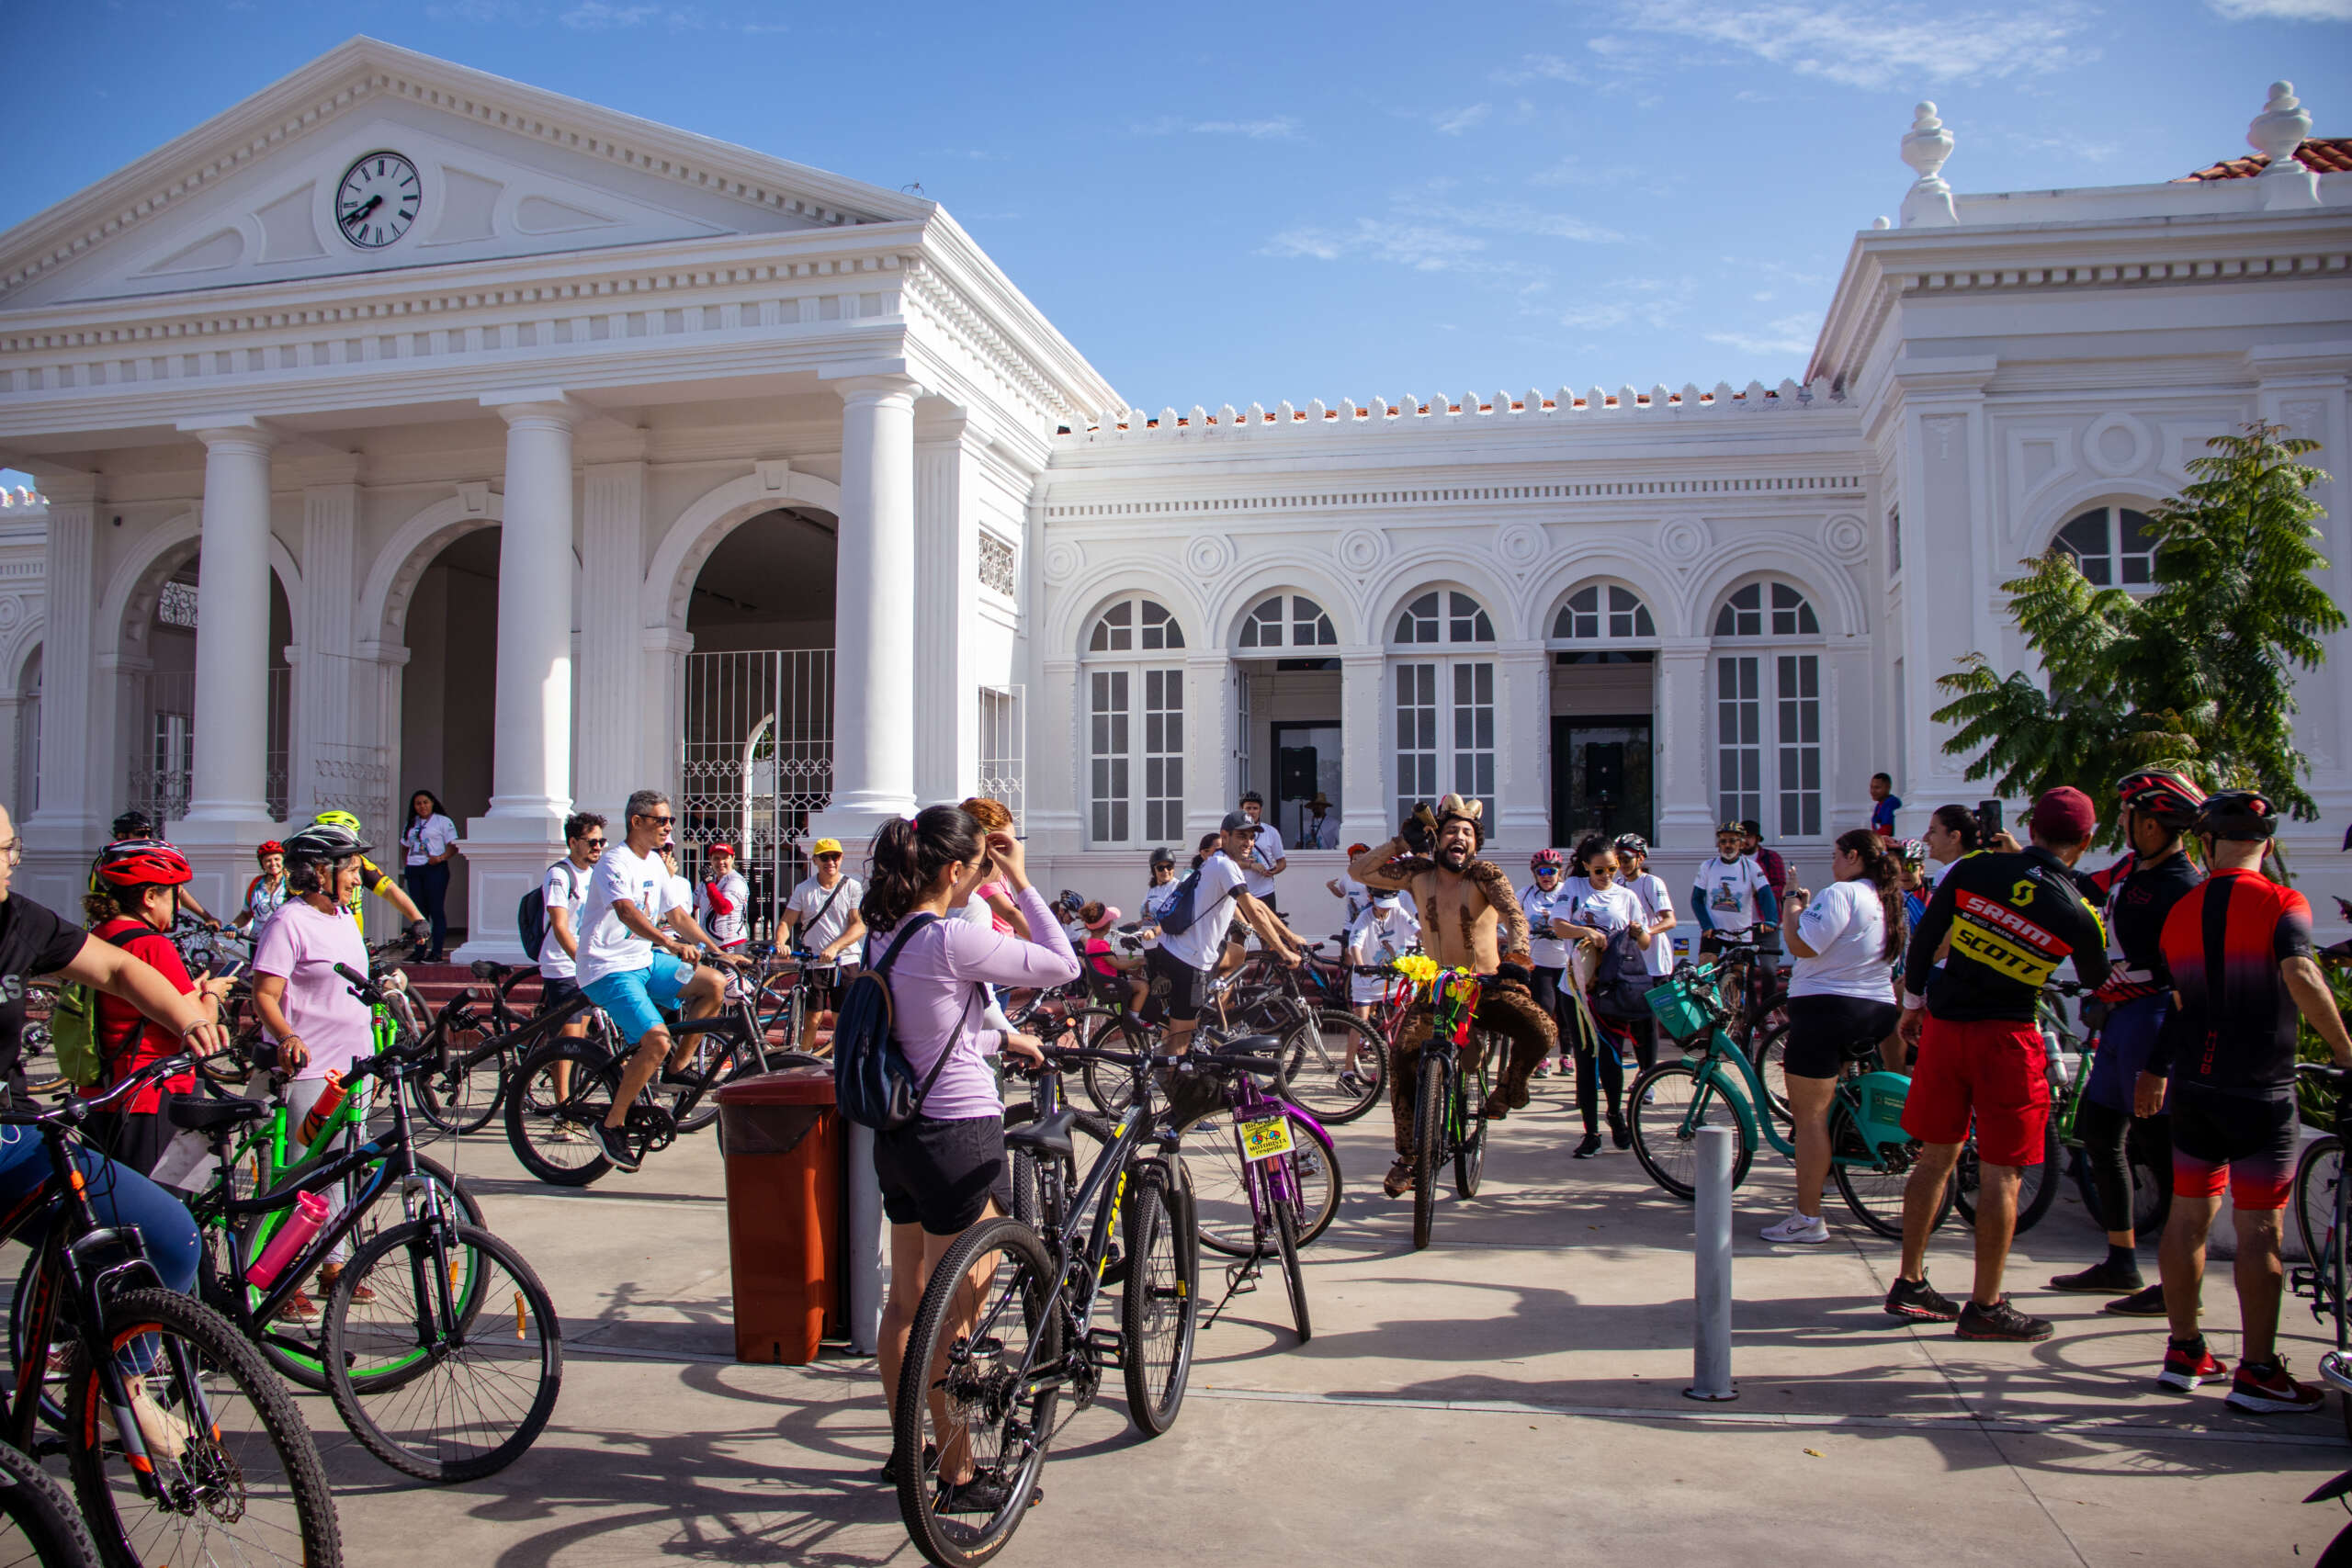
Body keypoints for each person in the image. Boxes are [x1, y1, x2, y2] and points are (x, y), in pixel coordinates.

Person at [0, 800, 228, 1459]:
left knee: (168, 1233)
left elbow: (119, 970)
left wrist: (188, 1015)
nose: (15, 862)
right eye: (9, 849)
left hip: (15, 1136)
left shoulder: (18, 921)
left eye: (14, 848)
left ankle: (117, 1389)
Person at [867, 806, 1077, 1505]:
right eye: (979, 868)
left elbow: (929, 1033)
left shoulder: (885, 936)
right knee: (954, 1308)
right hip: (956, 1132)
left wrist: (1000, 1040)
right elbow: (1060, 961)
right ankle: (957, 1473)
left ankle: (910, 1448)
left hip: (898, 1136)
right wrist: (1019, 879)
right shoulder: (953, 939)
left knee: (905, 1302)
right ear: (957, 871)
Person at [2140, 790, 2352, 1411]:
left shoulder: (2182, 909)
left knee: (2188, 1216)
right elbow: (2303, 973)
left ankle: (2184, 1349)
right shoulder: (2282, 900)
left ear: (2207, 844)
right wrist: (2345, 1051)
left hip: (2196, 1088)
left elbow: (2176, 1005)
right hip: (2260, 1089)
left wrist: (2157, 1071)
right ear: (2269, 844)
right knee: (2260, 1225)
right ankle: (2258, 1370)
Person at [1887, 785, 2110, 1341]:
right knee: (2003, 1171)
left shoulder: (1973, 871)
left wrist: (1913, 1006)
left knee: (1935, 1156)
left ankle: (1910, 1282)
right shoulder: (2080, 914)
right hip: (2009, 1038)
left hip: (1945, 1028)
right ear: (2085, 841)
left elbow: (1923, 946)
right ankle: (1985, 1305)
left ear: (2031, 829)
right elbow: (2096, 982)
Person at [2047, 769, 2204, 1310]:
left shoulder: (2182, 887)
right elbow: (2081, 887)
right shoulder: (2132, 867)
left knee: (2159, 1151)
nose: (2124, 825)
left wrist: (2159, 1064)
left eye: (2132, 817)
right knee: (2098, 1133)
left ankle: (2179, 1280)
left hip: (2152, 1020)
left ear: (2156, 825)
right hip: (2120, 1019)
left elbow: (2179, 977)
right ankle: (2121, 1259)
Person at [1350, 795, 1557, 1198]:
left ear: (1475, 842)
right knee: (1403, 1055)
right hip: (1437, 988)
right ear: (1437, 838)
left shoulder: (1485, 874)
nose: (1458, 838)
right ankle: (1409, 1157)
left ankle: (1509, 1088)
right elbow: (1360, 871)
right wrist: (1399, 843)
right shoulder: (1416, 872)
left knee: (1543, 1030)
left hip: (1488, 985)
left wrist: (1518, 957)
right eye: (1450, 831)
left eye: (1466, 832)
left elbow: (1515, 915)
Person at [247, 818, 384, 1317]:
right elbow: (264, 993)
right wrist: (287, 1036)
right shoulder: (289, 921)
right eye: (349, 866)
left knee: (344, 1168)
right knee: (304, 1176)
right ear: (319, 872)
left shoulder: (344, 918)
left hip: (354, 1064)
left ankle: (334, 1266)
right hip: (312, 1069)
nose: (357, 875)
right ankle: (283, 1274)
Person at [575, 791, 740, 1173]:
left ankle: (677, 1068)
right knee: (656, 1040)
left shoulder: (653, 863)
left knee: (713, 983)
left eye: (671, 821)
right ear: (637, 822)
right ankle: (611, 1124)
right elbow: (626, 911)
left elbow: (678, 915)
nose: (669, 827)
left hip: (644, 961)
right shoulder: (614, 862)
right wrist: (668, 942)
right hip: (608, 967)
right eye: (661, 820)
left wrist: (719, 950)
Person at [1759, 830, 1905, 1243]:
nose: (1833, 863)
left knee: (1809, 1119)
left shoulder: (1842, 892)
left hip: (1827, 1010)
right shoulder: (1886, 897)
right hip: (1876, 1009)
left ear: (1854, 856)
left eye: (1836, 855)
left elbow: (1803, 946)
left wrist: (1791, 904)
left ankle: (1807, 1218)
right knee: (1833, 1103)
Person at [82, 842, 231, 1175]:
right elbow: (200, 1025)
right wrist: (212, 994)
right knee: (164, 1211)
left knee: (112, 1201)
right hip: (155, 1094)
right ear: (150, 897)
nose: (178, 905)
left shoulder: (99, 936)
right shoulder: (152, 945)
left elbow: (137, 1005)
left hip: (102, 1091)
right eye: (174, 895)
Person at [1148, 811, 1299, 1057]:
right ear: (1225, 836)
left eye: (1251, 837)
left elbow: (1258, 906)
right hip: (1187, 958)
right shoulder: (1223, 865)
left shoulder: (1221, 862)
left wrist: (1290, 937)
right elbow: (1253, 912)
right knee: (1181, 1039)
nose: (1248, 842)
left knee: (1237, 954)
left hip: (1186, 947)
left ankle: (1211, 1006)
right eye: (1241, 836)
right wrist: (1283, 952)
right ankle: (1165, 1081)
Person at [1556, 837, 1652, 1157]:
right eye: (1599, 869)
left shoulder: (1626, 896)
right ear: (1586, 866)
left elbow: (1645, 943)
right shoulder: (1574, 887)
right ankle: (1591, 1132)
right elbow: (1558, 926)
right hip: (1575, 988)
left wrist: (1639, 933)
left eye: (1612, 869)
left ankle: (1615, 1115)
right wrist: (1587, 932)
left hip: (1610, 990)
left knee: (1612, 1057)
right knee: (1586, 1060)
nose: (1607, 875)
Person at [536, 813, 604, 1127]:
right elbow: (561, 927)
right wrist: (582, 961)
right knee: (570, 1040)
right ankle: (562, 1112)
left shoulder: (595, 873)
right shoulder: (560, 876)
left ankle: (570, 1098)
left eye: (602, 841)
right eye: (592, 842)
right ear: (573, 842)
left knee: (582, 1037)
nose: (598, 847)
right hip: (564, 965)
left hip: (586, 966)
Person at [782, 837, 866, 1053]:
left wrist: (835, 947)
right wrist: (780, 942)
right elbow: (787, 920)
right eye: (825, 857)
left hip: (844, 961)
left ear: (842, 858)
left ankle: (841, 1064)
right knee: (812, 1018)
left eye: (835, 857)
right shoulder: (804, 889)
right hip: (815, 962)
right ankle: (803, 1061)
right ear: (815, 860)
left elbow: (858, 925)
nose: (831, 862)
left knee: (843, 1018)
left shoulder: (852, 886)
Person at [308, 810, 431, 952]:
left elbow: (390, 890)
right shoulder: (310, 871)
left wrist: (418, 919)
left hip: (353, 940)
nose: (357, 880)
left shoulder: (360, 862)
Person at [94, 811, 221, 931]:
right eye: (140, 833)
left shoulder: (144, 860)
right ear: (121, 835)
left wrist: (207, 917)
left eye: (149, 833)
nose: (147, 837)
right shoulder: (109, 862)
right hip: (114, 926)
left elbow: (176, 889)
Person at [1521, 850, 1576, 1081]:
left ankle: (1566, 1055)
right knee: (1544, 1009)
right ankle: (1543, 1057)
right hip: (1540, 962)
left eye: (1551, 871)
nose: (1547, 876)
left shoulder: (1568, 892)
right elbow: (1511, 918)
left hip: (1566, 962)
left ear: (1559, 872)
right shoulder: (1525, 895)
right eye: (1542, 871)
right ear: (1534, 873)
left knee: (1566, 1012)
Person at [1690, 821, 1778, 956]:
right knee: (1705, 970)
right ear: (1718, 844)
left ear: (1741, 844)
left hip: (1741, 934)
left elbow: (1766, 894)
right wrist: (1706, 925)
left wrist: (1770, 920)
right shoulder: (1707, 866)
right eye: (1723, 841)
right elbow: (1696, 899)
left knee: (1738, 974)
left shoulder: (1751, 867)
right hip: (1714, 932)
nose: (1727, 845)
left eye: (1732, 841)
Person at [400, 789, 459, 962]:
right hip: (414, 869)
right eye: (418, 803)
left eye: (425, 802)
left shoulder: (443, 821)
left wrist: (440, 858)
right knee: (418, 912)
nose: (422, 806)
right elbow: (404, 846)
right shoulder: (412, 823)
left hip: (435, 868)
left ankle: (437, 951)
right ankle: (419, 950)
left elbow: (453, 845)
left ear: (432, 803)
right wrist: (407, 863)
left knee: (435, 910)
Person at [1078, 901, 1147, 1010]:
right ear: (1108, 925)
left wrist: (1131, 972)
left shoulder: (1091, 943)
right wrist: (1138, 961)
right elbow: (1118, 965)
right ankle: (1134, 1018)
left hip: (1102, 984)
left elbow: (1106, 965)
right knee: (1143, 987)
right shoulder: (1100, 945)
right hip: (1109, 984)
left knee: (1135, 982)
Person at [1236, 791, 1287, 915]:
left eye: (1255, 808)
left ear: (1260, 810)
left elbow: (1282, 862)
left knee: (1267, 931)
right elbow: (1229, 861)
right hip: (1240, 891)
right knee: (1239, 932)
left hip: (1265, 891)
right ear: (1241, 809)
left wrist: (1275, 870)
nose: (1252, 811)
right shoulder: (1234, 832)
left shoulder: (1271, 832)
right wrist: (1251, 866)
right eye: (1248, 808)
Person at [695, 842, 751, 953]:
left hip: (730, 944)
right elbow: (690, 905)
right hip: (708, 945)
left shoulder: (736, 881)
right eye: (716, 858)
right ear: (710, 860)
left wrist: (710, 883)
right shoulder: (707, 881)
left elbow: (723, 908)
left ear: (733, 859)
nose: (721, 862)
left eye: (725, 858)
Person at [235, 840, 289, 932]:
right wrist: (233, 926)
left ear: (283, 861)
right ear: (262, 864)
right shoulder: (256, 884)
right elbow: (246, 914)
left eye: (277, 859)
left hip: (283, 939)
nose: (273, 863)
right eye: (268, 861)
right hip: (257, 940)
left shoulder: (291, 883)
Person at [1741, 820, 1790, 902]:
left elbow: (1781, 887)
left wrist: (1760, 891)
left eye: (1749, 836)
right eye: (1742, 837)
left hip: (1764, 910)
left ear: (1757, 839)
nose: (1745, 840)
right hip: (1740, 910)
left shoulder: (1771, 857)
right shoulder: (1733, 859)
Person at [1142, 847, 1182, 928]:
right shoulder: (1153, 889)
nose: (1165, 871)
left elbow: (1176, 919)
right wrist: (1136, 925)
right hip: (1148, 939)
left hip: (1167, 939)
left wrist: (1154, 932)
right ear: (1154, 870)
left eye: (1169, 867)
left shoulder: (1179, 888)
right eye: (1160, 868)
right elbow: (1150, 919)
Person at [1869, 773, 1904, 838]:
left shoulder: (1891, 802)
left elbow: (1887, 829)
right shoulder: (1879, 805)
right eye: (1871, 787)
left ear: (1888, 787)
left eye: (1877, 788)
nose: (1872, 791)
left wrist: (1871, 838)